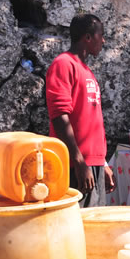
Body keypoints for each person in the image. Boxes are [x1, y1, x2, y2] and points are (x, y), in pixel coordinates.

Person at [46, 14, 115, 207]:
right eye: (101, 35)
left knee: (94, 225)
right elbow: (59, 116)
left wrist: (103, 163)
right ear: (88, 37)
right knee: (78, 225)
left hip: (93, 164)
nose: (103, 40)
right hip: (75, 165)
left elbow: (92, 121)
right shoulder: (63, 64)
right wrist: (79, 162)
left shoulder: (87, 71)